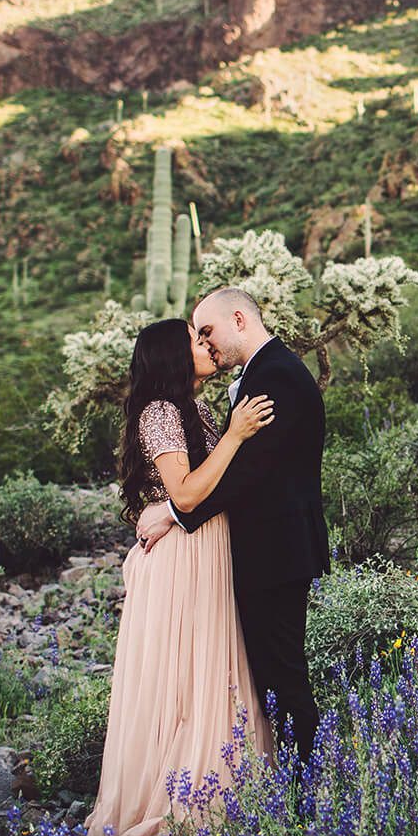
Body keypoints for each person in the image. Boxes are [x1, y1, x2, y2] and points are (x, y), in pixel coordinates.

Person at [83, 317, 276, 836]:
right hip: (180, 561)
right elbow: (188, 493)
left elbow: (214, 485)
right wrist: (236, 436)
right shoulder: (161, 413)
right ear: (172, 355)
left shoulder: (198, 410)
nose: (207, 345)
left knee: (208, 670)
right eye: (196, 340)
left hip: (207, 549)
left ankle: (220, 792)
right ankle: (174, 803)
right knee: (184, 677)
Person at [136, 286, 329, 766]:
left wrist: (174, 513)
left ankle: (304, 793)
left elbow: (249, 471)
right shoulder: (265, 372)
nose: (206, 344)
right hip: (254, 551)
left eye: (208, 332)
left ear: (239, 319)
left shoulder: (277, 376)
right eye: (197, 338)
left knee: (280, 675)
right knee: (254, 673)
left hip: (275, 551)